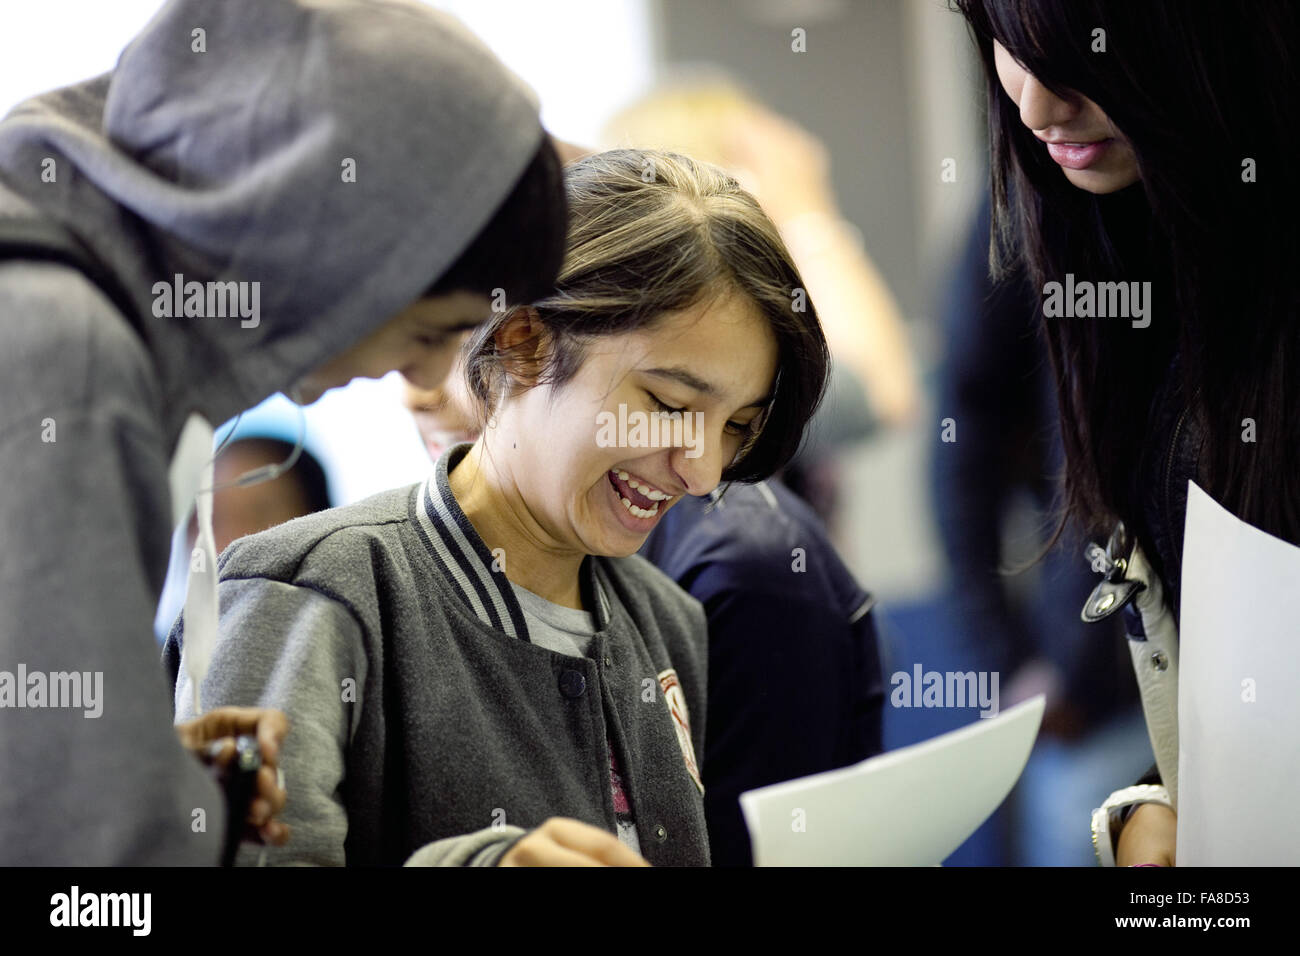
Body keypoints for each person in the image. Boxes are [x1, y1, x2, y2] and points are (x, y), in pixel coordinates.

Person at [0, 0, 566, 864]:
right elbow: (88, 872)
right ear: (332, 244)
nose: (421, 378)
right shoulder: (71, 360)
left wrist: (145, 776)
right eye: (427, 330)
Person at [169, 148, 831, 866]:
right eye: (669, 406)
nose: (702, 472)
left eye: (737, 426)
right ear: (522, 346)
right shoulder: (312, 595)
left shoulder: (665, 620)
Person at [954, 0, 1298, 865]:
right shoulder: (1107, 240)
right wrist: (1157, 806)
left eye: (1071, 51)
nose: (1033, 106)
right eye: (1008, 45)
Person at [406, 362, 885, 868]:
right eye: (419, 337)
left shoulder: (726, 577)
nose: (701, 471)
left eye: (736, 425)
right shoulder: (367, 578)